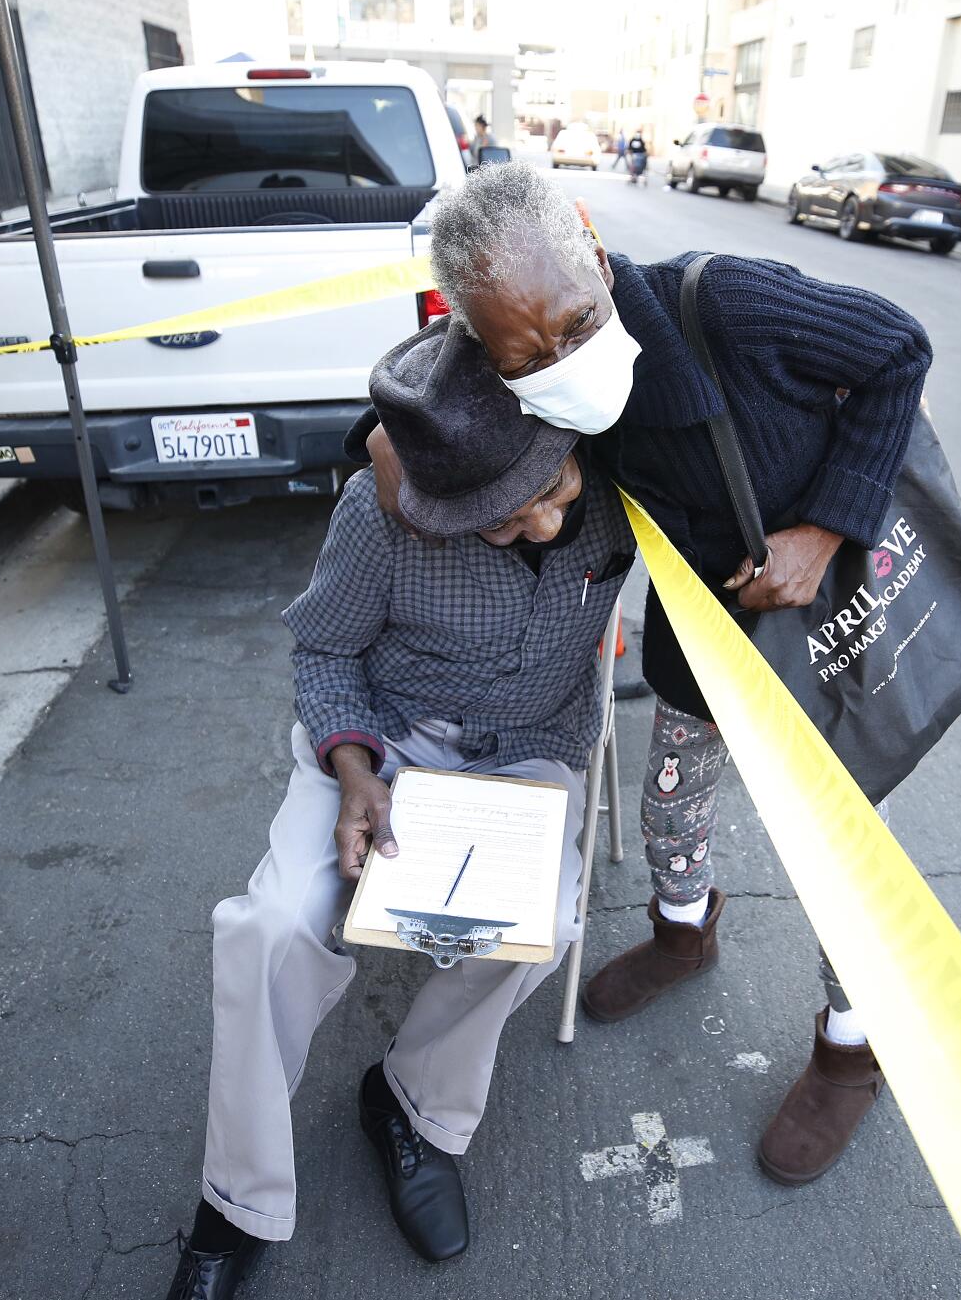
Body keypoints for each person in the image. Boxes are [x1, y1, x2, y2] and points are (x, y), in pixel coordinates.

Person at [361, 162, 932, 1187]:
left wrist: (824, 523)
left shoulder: (736, 308)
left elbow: (898, 351)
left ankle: (852, 1047)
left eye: (576, 321)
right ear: (484, 342)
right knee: (671, 804)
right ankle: (681, 934)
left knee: (843, 855)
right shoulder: (503, 349)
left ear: (589, 245)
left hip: (821, 611)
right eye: (524, 353)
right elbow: (418, 410)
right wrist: (377, 447)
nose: (559, 360)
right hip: (699, 629)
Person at [164, 317, 635, 1298]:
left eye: (551, 494)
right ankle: (237, 1198)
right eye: (501, 518)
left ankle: (412, 1107)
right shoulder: (378, 511)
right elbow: (325, 650)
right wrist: (354, 767)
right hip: (384, 744)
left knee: (538, 925)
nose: (541, 524)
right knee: (273, 926)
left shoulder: (623, 487)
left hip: (525, 750)